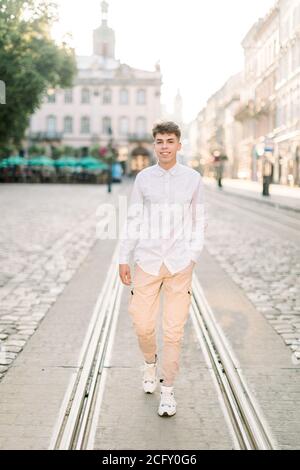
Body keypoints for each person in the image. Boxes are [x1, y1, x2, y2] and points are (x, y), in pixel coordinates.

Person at [118, 121, 205, 417]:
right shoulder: (143, 179)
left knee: (174, 330)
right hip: (148, 260)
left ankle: (167, 391)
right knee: (142, 323)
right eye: (159, 141)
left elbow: (199, 221)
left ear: (179, 145)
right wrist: (123, 257)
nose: (164, 146)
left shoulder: (193, 179)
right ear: (154, 145)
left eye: (170, 141)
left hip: (180, 264)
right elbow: (132, 219)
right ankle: (149, 363)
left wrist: (192, 255)